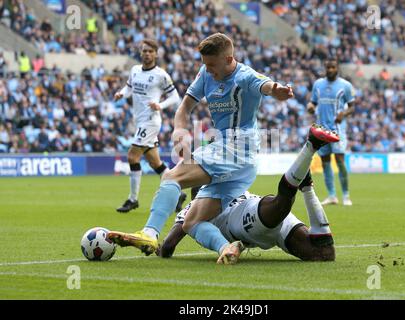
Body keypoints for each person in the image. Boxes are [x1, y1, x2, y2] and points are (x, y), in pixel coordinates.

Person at [107, 33, 294, 264]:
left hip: (237, 147)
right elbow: (184, 107)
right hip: (236, 162)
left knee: (171, 176)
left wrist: (276, 90)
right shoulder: (206, 72)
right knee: (191, 222)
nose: (208, 70)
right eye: (205, 64)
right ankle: (227, 247)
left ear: (229, 59)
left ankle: (149, 233)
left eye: (212, 64)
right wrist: (179, 131)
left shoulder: (245, 75)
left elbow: (265, 85)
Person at [157, 124, 338, 263]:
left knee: (280, 205)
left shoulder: (190, 210)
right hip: (256, 211)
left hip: (243, 220)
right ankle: (306, 187)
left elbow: (168, 246)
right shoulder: (229, 185)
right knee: (324, 253)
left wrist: (158, 248)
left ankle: (310, 146)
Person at [114, 39, 185, 213]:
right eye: (144, 51)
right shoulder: (135, 70)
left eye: (150, 51)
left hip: (151, 121)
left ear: (156, 54)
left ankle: (133, 199)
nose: (147, 54)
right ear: (141, 53)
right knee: (155, 163)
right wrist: (121, 94)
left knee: (132, 157)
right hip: (139, 120)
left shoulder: (161, 75)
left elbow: (175, 97)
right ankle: (178, 192)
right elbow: (129, 87)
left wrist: (160, 105)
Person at [307, 57, 355, 206]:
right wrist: (310, 107)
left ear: (337, 68)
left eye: (333, 67)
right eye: (328, 67)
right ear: (325, 68)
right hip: (321, 130)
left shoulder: (345, 86)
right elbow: (313, 102)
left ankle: (346, 195)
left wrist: (344, 113)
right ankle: (332, 195)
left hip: (337, 129)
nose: (330, 70)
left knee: (340, 161)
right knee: (325, 162)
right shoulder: (318, 84)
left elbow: (352, 106)